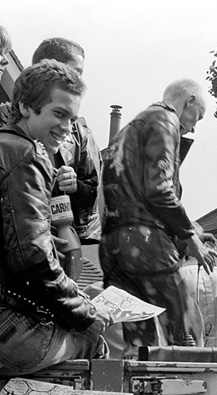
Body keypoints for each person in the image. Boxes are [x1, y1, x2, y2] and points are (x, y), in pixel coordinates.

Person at [0, 59, 112, 375]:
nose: (66, 127)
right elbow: (32, 260)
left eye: (72, 119)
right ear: (24, 106)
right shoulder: (26, 155)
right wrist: (86, 313)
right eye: (59, 114)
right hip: (9, 334)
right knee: (94, 339)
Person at [100, 78, 217, 358]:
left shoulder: (130, 128)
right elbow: (161, 190)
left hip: (113, 246)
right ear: (188, 102)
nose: (192, 127)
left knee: (138, 346)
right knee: (187, 337)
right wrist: (190, 236)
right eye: (197, 118)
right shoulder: (164, 120)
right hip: (145, 243)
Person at [0, 37, 103, 281]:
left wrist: (75, 185)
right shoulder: (15, 138)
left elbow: (92, 191)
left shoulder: (79, 131)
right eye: (72, 72)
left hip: (60, 246)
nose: (66, 126)